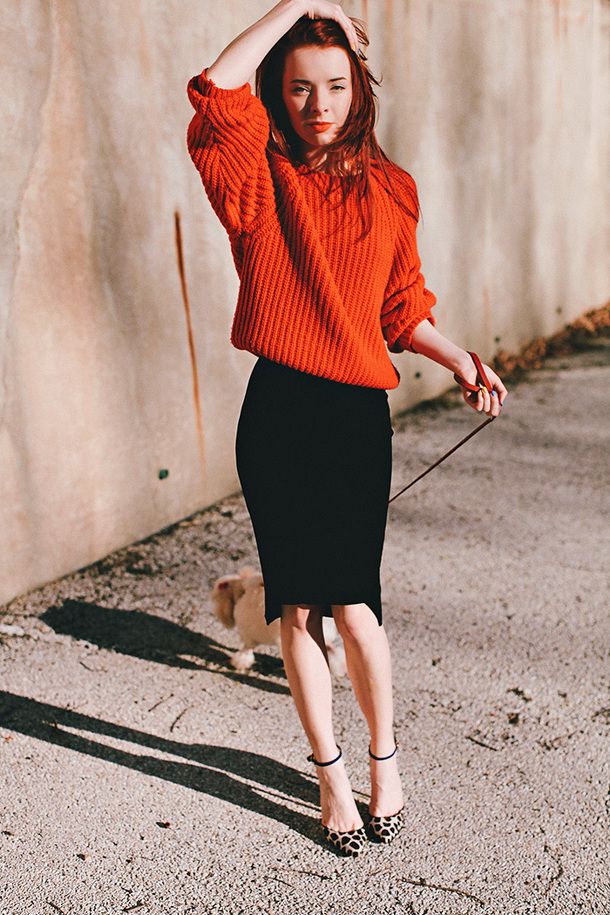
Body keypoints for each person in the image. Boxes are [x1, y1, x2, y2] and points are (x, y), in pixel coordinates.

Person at [186, 0, 507, 857]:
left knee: (358, 606)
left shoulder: (392, 187)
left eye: (333, 85)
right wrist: (300, 4)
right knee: (299, 606)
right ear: (279, 94)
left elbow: (401, 305)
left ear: (358, 87)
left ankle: (383, 760)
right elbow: (216, 92)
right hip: (281, 411)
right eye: (297, 88)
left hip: (357, 418)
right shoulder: (259, 180)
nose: (317, 105)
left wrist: (458, 357)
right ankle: (329, 775)